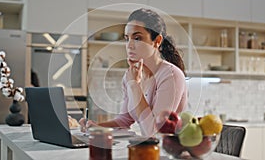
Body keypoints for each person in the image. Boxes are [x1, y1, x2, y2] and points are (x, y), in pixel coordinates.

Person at [80, 8, 187, 136]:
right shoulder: (130, 75)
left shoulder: (171, 76)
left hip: (170, 152)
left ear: (157, 41)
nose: (129, 45)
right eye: (127, 38)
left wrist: (134, 85)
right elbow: (124, 120)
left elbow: (154, 132)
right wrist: (95, 127)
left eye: (137, 38)